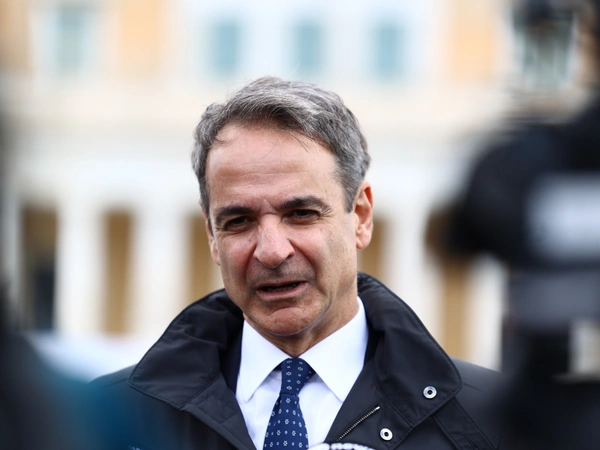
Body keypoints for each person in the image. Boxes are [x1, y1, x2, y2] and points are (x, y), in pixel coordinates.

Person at [92, 77, 507, 450]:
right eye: (239, 221)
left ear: (361, 217)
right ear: (213, 237)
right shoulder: (102, 421)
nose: (272, 251)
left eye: (301, 214)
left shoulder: (495, 423)